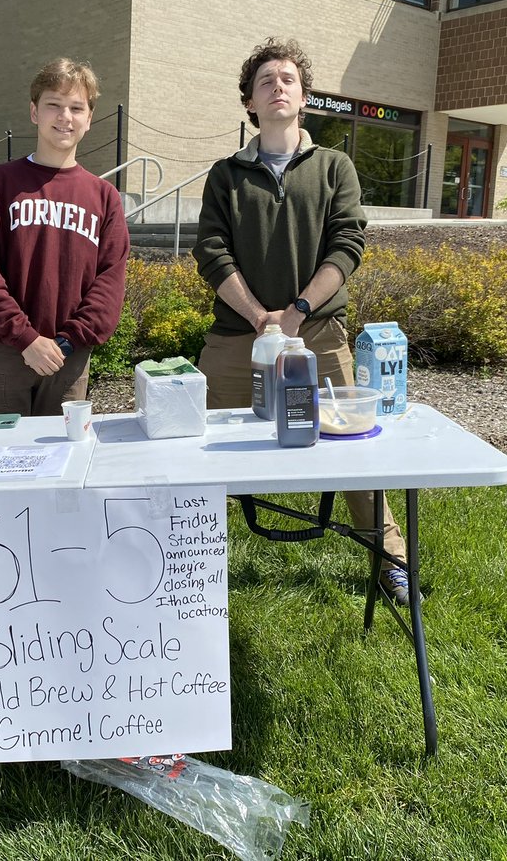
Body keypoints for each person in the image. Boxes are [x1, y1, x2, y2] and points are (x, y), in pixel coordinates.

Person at [192, 37, 411, 605]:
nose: (278, 86)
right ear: (250, 103)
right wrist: (262, 318)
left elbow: (347, 245)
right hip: (235, 339)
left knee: (356, 449)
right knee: (189, 446)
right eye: (266, 81)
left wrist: (295, 314)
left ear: (304, 97)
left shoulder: (335, 167)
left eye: (289, 78)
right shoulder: (226, 174)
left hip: (317, 336)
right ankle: (181, 565)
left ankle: (391, 560)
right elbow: (212, 252)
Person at [0, 58, 130, 416]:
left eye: (76, 108)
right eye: (53, 105)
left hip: (68, 359)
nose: (64, 116)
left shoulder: (104, 196)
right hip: (6, 353)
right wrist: (25, 339)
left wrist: (67, 343)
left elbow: (109, 282)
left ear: (88, 119)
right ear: (35, 112)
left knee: (62, 462)